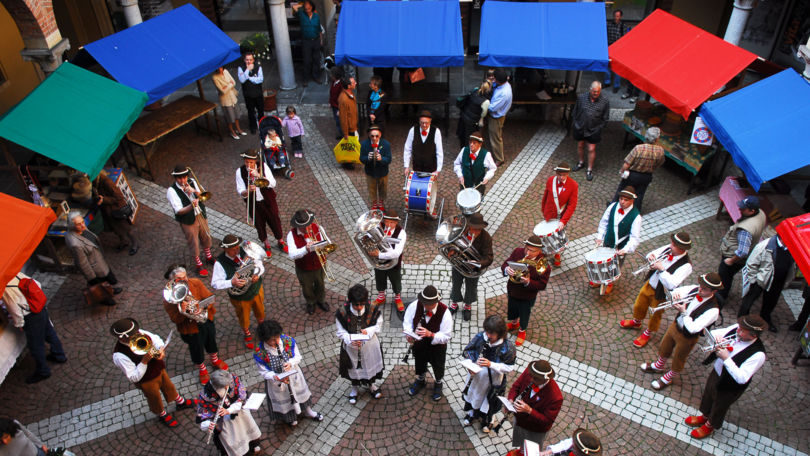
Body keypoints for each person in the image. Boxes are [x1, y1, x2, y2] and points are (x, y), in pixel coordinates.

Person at [684, 315, 767, 439]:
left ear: (753, 336)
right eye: (739, 328)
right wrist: (717, 338)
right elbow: (715, 333)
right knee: (709, 394)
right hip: (717, 372)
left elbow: (742, 378)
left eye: (742, 331)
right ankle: (705, 416)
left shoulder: (758, 355)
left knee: (720, 404)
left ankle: (709, 425)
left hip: (731, 385)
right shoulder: (737, 329)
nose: (738, 331)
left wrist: (726, 358)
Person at [640, 273, 722, 390]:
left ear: (713, 292)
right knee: (665, 346)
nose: (700, 290)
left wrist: (684, 312)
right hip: (675, 325)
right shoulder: (694, 289)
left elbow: (694, 328)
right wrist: (674, 296)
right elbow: (672, 293)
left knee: (679, 356)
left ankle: (669, 377)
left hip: (688, 336)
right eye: (700, 286)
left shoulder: (713, 311)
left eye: (705, 289)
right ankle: (659, 365)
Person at [110, 318, 195, 428]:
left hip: (158, 368)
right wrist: (144, 362)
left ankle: (180, 402)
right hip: (146, 380)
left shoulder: (139, 333)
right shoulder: (119, 355)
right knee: (154, 398)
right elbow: (133, 377)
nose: (137, 335)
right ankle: (162, 414)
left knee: (169, 386)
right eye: (133, 334)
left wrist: (160, 349)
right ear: (125, 338)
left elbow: (155, 339)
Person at [619, 232, 693, 348]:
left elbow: (672, 283)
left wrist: (662, 269)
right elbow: (651, 254)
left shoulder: (686, 266)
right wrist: (651, 258)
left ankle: (648, 333)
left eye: (673, 245)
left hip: (662, 293)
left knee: (655, 315)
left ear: (681, 248)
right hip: (650, 283)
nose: (670, 246)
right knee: (639, 305)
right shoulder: (668, 249)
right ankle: (637, 322)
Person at [163, 264, 228, 385]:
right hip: (190, 328)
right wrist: (182, 311)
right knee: (196, 348)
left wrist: (201, 306)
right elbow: (175, 319)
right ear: (173, 281)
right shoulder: (169, 298)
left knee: (211, 340)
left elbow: (209, 298)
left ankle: (214, 360)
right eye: (180, 279)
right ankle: (202, 369)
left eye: (185, 277)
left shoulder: (195, 283)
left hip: (205, 320)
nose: (185, 281)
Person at [254, 320, 324, 426]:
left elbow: (298, 357)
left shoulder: (287, 341)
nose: (276, 342)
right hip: (277, 381)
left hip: (293, 375)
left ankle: (308, 411)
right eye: (272, 341)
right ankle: (290, 417)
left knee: (300, 393)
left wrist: (290, 363)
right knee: (284, 398)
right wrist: (275, 377)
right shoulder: (260, 352)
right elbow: (263, 372)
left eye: (277, 338)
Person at [3, 273, 66, 384]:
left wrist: (20, 324)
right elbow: (36, 284)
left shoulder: (6, 289)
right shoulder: (16, 273)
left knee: (36, 346)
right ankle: (59, 355)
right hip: (39, 308)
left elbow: (15, 310)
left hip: (30, 317)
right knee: (49, 332)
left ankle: (43, 371)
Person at [461, 315, 517, 432]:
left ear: (500, 333)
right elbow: (468, 351)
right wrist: (471, 364)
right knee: (474, 396)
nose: (488, 335)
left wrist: (491, 364)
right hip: (476, 378)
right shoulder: (482, 337)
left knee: (488, 400)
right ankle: (472, 414)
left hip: (492, 381)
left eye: (492, 333)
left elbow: (509, 367)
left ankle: (489, 419)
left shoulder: (507, 347)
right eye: (487, 331)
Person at [211, 235, 266, 350]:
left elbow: (260, 265)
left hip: (255, 289)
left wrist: (257, 274)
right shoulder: (220, 263)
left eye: (237, 247)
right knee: (243, 316)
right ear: (226, 249)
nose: (237, 251)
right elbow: (215, 283)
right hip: (239, 297)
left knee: (260, 310)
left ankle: (263, 328)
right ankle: (247, 333)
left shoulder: (246, 252)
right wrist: (231, 282)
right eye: (233, 249)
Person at [336, 284, 385, 404]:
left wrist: (367, 331)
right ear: (351, 301)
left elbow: (378, 326)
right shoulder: (342, 312)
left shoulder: (372, 308)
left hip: (369, 345)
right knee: (353, 368)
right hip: (351, 348)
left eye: (361, 304)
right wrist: (350, 340)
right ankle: (354, 389)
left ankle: (371, 386)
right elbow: (340, 332)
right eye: (356, 304)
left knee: (369, 365)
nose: (359, 307)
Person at [404, 285, 453, 401]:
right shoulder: (415, 305)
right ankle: (421, 379)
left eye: (429, 304)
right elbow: (407, 322)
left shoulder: (445, 312)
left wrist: (431, 334)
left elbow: (446, 336)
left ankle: (438, 383)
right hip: (420, 344)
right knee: (420, 361)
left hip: (437, 347)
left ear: (436, 301)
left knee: (438, 366)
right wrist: (409, 335)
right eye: (424, 303)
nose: (426, 307)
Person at [196, 370, 261, 456]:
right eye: (225, 386)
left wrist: (229, 410)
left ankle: (253, 445)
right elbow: (203, 416)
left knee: (248, 427)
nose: (228, 387)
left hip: (240, 412)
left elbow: (242, 397)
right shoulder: (205, 396)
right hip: (225, 422)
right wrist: (209, 423)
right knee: (233, 438)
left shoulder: (231, 378)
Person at [502, 236, 552, 346]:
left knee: (524, 313)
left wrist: (528, 282)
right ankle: (514, 323)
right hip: (513, 289)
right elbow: (506, 263)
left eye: (532, 251)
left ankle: (522, 330)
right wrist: (507, 269)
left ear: (539, 251)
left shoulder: (543, 264)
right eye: (527, 249)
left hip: (527, 295)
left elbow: (542, 284)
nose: (527, 252)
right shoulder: (518, 252)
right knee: (512, 307)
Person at [717, 196, 767, 304]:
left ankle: (720, 297)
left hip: (732, 256)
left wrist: (730, 260)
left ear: (752, 211)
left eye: (744, 209)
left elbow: (743, 251)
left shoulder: (745, 229)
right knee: (727, 276)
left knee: (725, 276)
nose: (740, 210)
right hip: (746, 251)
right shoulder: (761, 213)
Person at [236, 150, 286, 256]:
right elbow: (240, 191)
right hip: (253, 202)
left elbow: (273, 183)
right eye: (247, 162)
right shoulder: (239, 171)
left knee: (274, 220)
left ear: (255, 161)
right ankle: (266, 244)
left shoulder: (263, 166)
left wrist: (259, 175)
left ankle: (280, 241)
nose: (249, 165)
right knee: (259, 224)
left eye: (251, 162)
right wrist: (248, 190)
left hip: (268, 200)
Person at [166, 165, 214, 277]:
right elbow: (178, 211)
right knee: (194, 242)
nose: (183, 181)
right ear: (175, 178)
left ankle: (208, 256)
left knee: (206, 235)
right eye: (179, 178)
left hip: (200, 214)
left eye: (184, 177)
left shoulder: (192, 181)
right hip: (188, 220)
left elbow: (204, 195)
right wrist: (191, 206)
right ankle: (198, 264)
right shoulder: (172, 191)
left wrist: (194, 191)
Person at [739, 235, 794, 332]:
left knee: (771, 302)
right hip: (761, 279)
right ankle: (742, 319)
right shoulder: (765, 246)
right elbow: (751, 263)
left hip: (778, 281)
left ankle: (765, 318)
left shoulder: (792, 248)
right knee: (749, 300)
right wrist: (753, 280)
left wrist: (787, 281)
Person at [65, 211, 123, 301]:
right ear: (72, 226)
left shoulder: (82, 229)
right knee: (100, 286)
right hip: (95, 269)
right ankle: (105, 299)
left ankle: (111, 290)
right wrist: (92, 279)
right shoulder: (75, 244)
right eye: (78, 224)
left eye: (83, 222)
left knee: (108, 278)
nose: (83, 225)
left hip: (99, 262)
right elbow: (82, 264)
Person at [506, 360, 563, 449]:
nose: (531, 379)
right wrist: (510, 400)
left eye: (535, 378)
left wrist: (529, 410)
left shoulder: (555, 397)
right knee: (520, 444)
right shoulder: (530, 373)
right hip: (520, 420)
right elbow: (516, 386)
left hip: (534, 430)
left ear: (546, 379)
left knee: (531, 451)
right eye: (531, 376)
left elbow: (547, 421)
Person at [595, 186, 641, 294]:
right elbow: (604, 222)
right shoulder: (612, 207)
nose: (622, 202)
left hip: (621, 247)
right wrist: (600, 237)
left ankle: (609, 283)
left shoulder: (636, 217)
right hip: (608, 241)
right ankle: (600, 279)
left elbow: (635, 238)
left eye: (626, 200)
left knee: (615, 266)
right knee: (602, 261)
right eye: (621, 199)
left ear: (632, 200)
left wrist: (626, 249)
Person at [449, 212, 494, 321]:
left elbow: (489, 257)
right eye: (473, 229)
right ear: (469, 226)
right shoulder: (461, 232)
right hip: (459, 264)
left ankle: (467, 306)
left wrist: (478, 264)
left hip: (474, 268)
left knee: (471, 287)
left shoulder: (486, 237)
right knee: (456, 284)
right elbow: (452, 243)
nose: (475, 232)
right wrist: (451, 251)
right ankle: (454, 304)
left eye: (478, 229)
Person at [610, 127, 665, 213]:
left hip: (632, 175)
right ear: (657, 139)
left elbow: (627, 164)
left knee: (622, 190)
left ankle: (612, 207)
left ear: (646, 136)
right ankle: (635, 212)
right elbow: (659, 163)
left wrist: (622, 171)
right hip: (646, 176)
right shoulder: (660, 151)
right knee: (639, 195)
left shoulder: (638, 148)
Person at [287, 209, 330, 315]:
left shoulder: (318, 228)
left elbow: (328, 243)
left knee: (321, 284)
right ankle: (310, 302)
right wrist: (305, 249)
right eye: (304, 227)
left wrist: (321, 244)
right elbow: (292, 254)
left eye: (308, 225)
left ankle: (321, 300)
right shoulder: (291, 235)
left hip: (320, 263)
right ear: (297, 226)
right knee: (307, 287)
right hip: (304, 268)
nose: (307, 229)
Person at [540, 162, 579, 267]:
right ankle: (545, 251)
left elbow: (572, 205)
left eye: (564, 175)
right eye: (559, 175)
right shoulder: (550, 180)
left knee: (558, 237)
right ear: (556, 173)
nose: (561, 177)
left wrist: (563, 220)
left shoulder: (573, 185)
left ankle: (557, 256)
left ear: (568, 174)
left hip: (560, 217)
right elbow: (546, 196)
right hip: (548, 214)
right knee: (546, 235)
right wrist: (544, 210)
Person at [572, 81, 610, 182]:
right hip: (580, 127)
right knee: (580, 145)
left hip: (594, 129)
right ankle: (581, 162)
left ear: (600, 91)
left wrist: (599, 128)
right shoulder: (581, 98)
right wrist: (576, 124)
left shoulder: (605, 101)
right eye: (594, 92)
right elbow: (575, 112)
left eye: (597, 92)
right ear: (590, 90)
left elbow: (605, 118)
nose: (596, 94)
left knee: (591, 149)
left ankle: (589, 169)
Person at [94, 169, 138, 255]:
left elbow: (119, 197)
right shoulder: (97, 182)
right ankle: (124, 242)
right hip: (109, 212)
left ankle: (135, 244)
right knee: (116, 229)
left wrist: (104, 200)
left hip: (117, 210)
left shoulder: (106, 182)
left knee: (126, 229)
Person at [371, 209, 407, 311]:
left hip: (393, 262)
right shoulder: (379, 227)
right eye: (386, 221)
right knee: (379, 278)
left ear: (396, 222)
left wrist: (379, 255)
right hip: (378, 261)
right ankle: (381, 297)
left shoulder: (401, 233)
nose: (388, 224)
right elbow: (370, 237)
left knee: (396, 280)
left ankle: (397, 298)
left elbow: (396, 253)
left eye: (391, 222)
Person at [359, 125, 392, 211]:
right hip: (370, 172)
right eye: (372, 136)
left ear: (380, 135)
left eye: (376, 136)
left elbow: (389, 159)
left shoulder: (386, 144)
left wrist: (381, 159)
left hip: (382, 172)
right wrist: (367, 158)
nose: (374, 138)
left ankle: (381, 203)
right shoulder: (364, 144)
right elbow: (361, 158)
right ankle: (374, 204)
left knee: (383, 189)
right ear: (369, 135)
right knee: (371, 189)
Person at [403, 110, 444, 179]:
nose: (424, 125)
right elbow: (407, 149)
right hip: (417, 167)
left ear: (430, 121)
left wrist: (438, 170)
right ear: (419, 121)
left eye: (426, 123)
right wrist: (406, 166)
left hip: (431, 169)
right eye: (422, 123)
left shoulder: (436, 132)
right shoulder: (413, 130)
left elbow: (439, 152)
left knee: (430, 189)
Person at [484, 68, 512, 166]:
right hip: (496, 116)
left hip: (496, 117)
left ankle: (499, 159)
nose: (493, 79)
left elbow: (492, 108)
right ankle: (491, 154)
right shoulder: (502, 85)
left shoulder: (504, 93)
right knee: (493, 136)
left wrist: (484, 104)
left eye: (494, 78)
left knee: (495, 138)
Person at [291, 0, 322, 86]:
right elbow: (294, 7)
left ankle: (316, 76)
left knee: (316, 59)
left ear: (312, 7)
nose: (307, 9)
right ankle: (306, 79)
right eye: (306, 8)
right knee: (307, 60)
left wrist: (321, 40)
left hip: (316, 40)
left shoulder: (316, 16)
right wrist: (302, 5)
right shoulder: (301, 13)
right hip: (306, 41)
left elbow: (319, 29)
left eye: (308, 8)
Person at [212, 66, 246, 140]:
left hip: (233, 97)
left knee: (237, 115)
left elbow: (234, 82)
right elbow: (222, 91)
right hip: (225, 100)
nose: (220, 69)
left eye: (221, 67)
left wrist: (226, 86)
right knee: (230, 118)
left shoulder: (226, 71)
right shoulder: (215, 77)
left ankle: (238, 129)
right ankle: (232, 131)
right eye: (218, 68)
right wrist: (230, 84)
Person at [456, 81, 492, 149]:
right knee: (470, 138)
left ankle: (463, 149)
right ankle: (468, 153)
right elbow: (483, 113)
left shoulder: (475, 91)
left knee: (463, 135)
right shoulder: (486, 102)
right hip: (472, 121)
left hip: (464, 116)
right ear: (488, 89)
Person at [237, 52, 264, 134]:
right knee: (250, 112)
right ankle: (253, 127)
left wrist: (250, 78)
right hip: (248, 94)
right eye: (247, 60)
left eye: (250, 60)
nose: (249, 62)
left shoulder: (258, 67)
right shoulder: (241, 68)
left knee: (261, 110)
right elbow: (242, 80)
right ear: (244, 60)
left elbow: (260, 79)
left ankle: (262, 125)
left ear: (253, 60)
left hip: (258, 93)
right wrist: (247, 71)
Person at [603, 10, 627, 93]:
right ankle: (607, 82)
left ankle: (616, 85)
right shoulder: (609, 24)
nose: (616, 18)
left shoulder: (622, 26)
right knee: (607, 65)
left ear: (620, 17)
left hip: (618, 48)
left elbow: (625, 38)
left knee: (617, 67)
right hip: (609, 46)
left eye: (617, 16)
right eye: (615, 16)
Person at [338, 76, 358, 140]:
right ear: (349, 86)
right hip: (350, 130)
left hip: (353, 126)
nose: (356, 83)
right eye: (354, 82)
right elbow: (343, 117)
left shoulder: (350, 93)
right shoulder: (344, 99)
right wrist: (345, 133)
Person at [329, 66, 345, 140]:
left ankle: (343, 134)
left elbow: (341, 98)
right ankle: (341, 133)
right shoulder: (333, 83)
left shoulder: (340, 85)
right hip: (334, 105)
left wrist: (339, 109)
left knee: (340, 121)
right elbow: (332, 94)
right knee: (337, 120)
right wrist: (330, 102)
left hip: (338, 106)